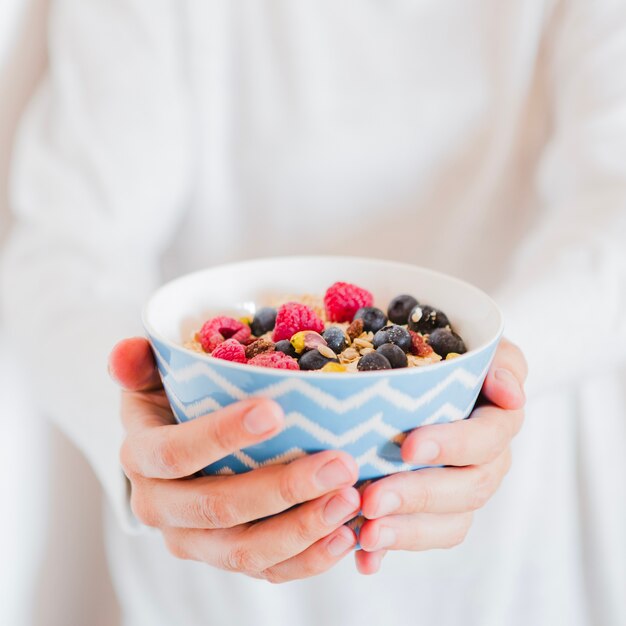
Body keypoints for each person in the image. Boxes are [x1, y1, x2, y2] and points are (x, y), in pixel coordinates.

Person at [2, 1, 625, 625]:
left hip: (515, 534)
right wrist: (143, 439)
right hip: (214, 560)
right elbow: (63, 244)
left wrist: (498, 366)